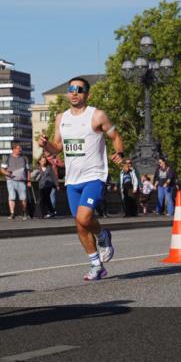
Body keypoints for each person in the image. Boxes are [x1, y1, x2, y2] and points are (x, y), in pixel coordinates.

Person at [37, 77, 125, 281]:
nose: (74, 92)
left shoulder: (97, 115)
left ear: (87, 94)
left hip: (94, 175)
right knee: (79, 225)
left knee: (84, 218)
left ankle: (103, 235)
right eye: (71, 89)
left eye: (79, 89)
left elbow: (116, 137)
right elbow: (57, 147)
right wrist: (45, 144)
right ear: (67, 93)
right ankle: (96, 265)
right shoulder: (61, 118)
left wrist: (119, 153)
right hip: (72, 179)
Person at [1, 142, 30, 220]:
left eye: (20, 148)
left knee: (23, 198)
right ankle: (12, 213)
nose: (20, 149)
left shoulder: (24, 158)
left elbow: (28, 170)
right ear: (13, 149)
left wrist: (29, 181)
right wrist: (8, 173)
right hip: (10, 180)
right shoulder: (7, 158)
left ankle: (24, 212)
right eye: (18, 148)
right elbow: (2, 170)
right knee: (12, 197)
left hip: (21, 181)